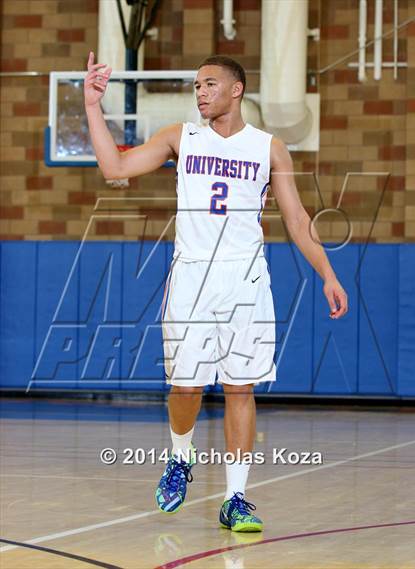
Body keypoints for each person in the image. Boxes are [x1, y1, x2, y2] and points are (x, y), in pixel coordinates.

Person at [84, 52, 348, 532]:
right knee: (185, 387)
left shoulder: (269, 148)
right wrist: (91, 106)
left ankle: (236, 498)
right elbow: (112, 168)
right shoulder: (179, 138)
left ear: (236, 89)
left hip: (245, 280)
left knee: (239, 388)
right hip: (192, 278)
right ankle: (180, 458)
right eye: (196, 86)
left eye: (208, 84)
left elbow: (296, 219)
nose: (200, 92)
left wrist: (328, 273)